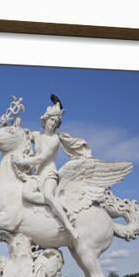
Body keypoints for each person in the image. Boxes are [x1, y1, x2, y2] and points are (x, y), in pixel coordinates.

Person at [12, 95, 90, 240]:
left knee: (48, 195)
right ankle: (57, 204)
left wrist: (22, 161)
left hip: (50, 175)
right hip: (37, 176)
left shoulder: (54, 140)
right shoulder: (37, 135)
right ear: (45, 119)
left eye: (56, 121)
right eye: (52, 119)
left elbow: (41, 158)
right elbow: (20, 135)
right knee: (25, 194)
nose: (53, 123)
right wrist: (13, 124)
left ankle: (68, 226)